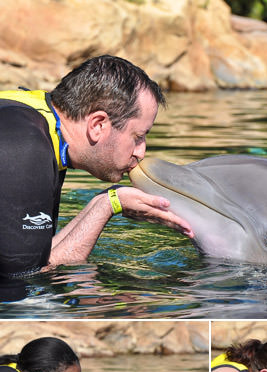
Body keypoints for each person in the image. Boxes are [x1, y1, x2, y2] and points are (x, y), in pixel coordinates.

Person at [0, 54, 193, 279]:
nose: (141, 152)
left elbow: (36, 258)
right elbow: (26, 283)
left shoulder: (35, 119)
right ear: (98, 125)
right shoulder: (23, 146)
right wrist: (108, 206)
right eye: (138, 136)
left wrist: (106, 201)